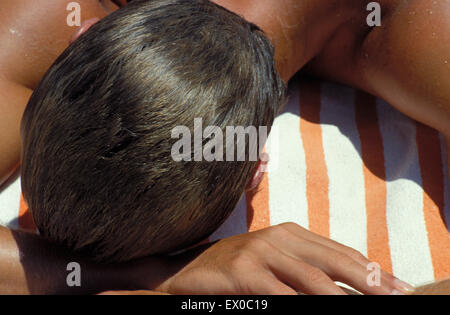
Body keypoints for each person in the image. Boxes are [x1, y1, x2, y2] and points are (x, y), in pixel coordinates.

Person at [1, 0, 447, 294]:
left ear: (256, 166)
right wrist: (159, 277)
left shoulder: (424, 27)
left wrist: (158, 276)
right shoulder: (52, 15)